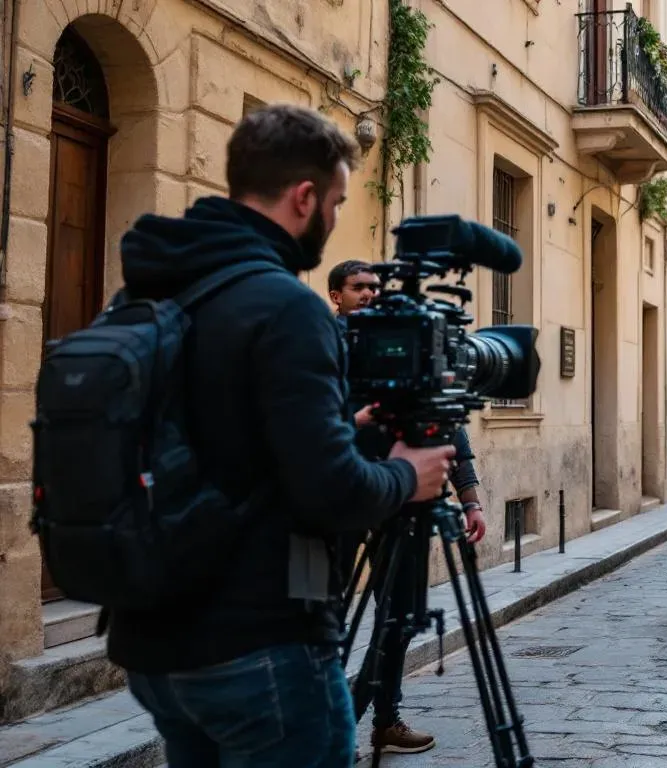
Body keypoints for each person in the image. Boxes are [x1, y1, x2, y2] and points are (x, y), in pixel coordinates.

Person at [110, 104, 456, 766]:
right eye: (334, 203)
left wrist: (344, 429)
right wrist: (409, 474)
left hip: (153, 649)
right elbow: (331, 492)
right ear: (304, 198)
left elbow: (223, 441)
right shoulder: (286, 306)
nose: (332, 220)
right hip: (258, 646)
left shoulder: (150, 293)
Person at [327, 261, 487, 755]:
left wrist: (470, 496)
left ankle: (385, 719)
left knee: (398, 616)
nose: (370, 294)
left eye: (375, 286)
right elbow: (313, 422)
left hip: (408, 501)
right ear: (336, 295)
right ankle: (331, 723)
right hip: (344, 497)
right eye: (358, 287)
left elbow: (446, 421)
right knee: (326, 615)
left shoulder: (412, 338)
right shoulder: (325, 342)